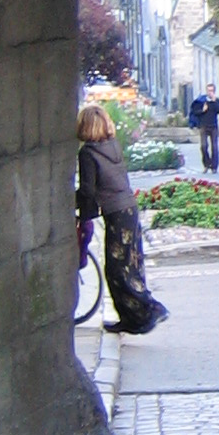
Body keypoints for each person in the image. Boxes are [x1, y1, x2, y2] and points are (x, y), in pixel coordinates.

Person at [76, 103, 168, 336]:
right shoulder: (112, 146)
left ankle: (150, 309)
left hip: (115, 213)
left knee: (117, 269)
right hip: (129, 208)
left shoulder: (88, 153)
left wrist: (83, 215)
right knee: (131, 264)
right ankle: (131, 318)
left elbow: (87, 190)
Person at [192, 84, 219, 172]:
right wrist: (202, 110)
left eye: (212, 90)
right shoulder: (201, 101)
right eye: (208, 90)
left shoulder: (217, 100)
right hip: (203, 125)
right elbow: (195, 112)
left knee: (214, 147)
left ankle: (214, 167)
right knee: (203, 146)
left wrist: (214, 102)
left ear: (214, 91)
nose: (210, 92)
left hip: (213, 126)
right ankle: (206, 164)